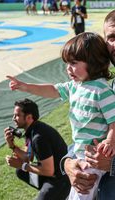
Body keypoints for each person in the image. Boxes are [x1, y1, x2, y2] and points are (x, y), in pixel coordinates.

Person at [7, 32, 115, 200]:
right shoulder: (75, 86)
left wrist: (109, 141)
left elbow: (114, 121)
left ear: (93, 62)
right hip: (80, 155)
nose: (68, 68)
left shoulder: (102, 90)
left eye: (73, 63)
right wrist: (26, 87)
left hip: (95, 159)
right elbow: (53, 90)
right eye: (66, 63)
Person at [62, 9, 115, 200]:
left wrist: (112, 164)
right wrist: (68, 163)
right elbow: (89, 129)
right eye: (111, 37)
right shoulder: (105, 88)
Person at [4, 98, 71, 200]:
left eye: (17, 115)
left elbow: (49, 171)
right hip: (52, 175)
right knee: (21, 171)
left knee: (22, 169)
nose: (13, 118)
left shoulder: (39, 138)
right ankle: (50, 193)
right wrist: (12, 145)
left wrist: (22, 165)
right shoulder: (32, 130)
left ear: (29, 117)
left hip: (61, 180)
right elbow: (28, 157)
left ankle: (61, 194)